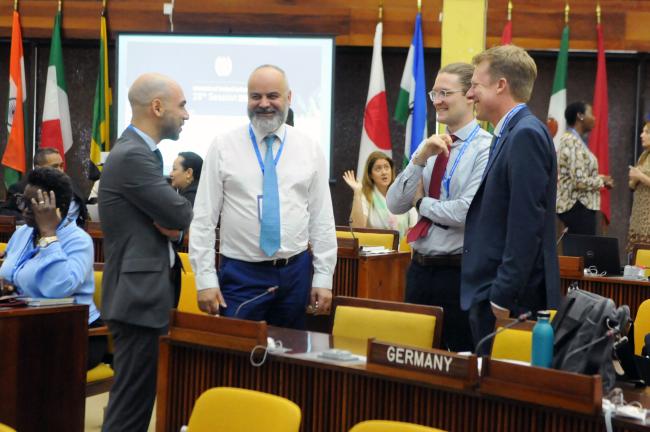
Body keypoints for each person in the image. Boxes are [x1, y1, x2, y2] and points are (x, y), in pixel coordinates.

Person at [189, 64, 336, 328]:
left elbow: (321, 218)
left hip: (296, 274)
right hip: (241, 274)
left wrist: (323, 279)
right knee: (237, 360)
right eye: (255, 96)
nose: (264, 103)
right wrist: (205, 280)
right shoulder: (223, 146)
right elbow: (203, 219)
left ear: (289, 98)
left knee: (290, 359)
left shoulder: (310, 147)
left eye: (273, 96)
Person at [98, 73, 193, 432]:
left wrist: (173, 223)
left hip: (141, 296)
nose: (186, 115)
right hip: (137, 301)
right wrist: (175, 220)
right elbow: (180, 212)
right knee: (130, 410)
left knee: (134, 403)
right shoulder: (133, 156)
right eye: (181, 105)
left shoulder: (140, 154)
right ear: (157, 107)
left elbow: (174, 219)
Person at [461, 45, 561, 355]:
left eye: (475, 85)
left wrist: (501, 296)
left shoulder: (524, 135)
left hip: (510, 301)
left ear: (501, 85)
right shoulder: (510, 133)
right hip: (499, 294)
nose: (469, 95)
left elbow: (525, 223)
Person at [386, 62, 491, 352]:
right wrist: (419, 159)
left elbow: (464, 212)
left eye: (445, 93)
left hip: (458, 275)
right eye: (434, 93)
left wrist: (421, 203)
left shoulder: (486, 148)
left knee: (458, 363)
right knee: (413, 359)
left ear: (470, 95)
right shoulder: (430, 144)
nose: (438, 101)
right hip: (419, 271)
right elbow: (394, 203)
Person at [0, 167, 107, 370]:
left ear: (60, 207)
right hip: (24, 327)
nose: (24, 211)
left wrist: (49, 234)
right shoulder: (23, 233)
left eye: (34, 206)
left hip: (73, 335)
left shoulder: (79, 241)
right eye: (24, 202)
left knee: (16, 366)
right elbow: (8, 274)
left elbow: (60, 287)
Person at [556, 101, 613, 235]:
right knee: (582, 254)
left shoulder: (576, 141)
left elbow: (578, 175)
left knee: (582, 253)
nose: (594, 118)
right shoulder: (570, 141)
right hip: (577, 206)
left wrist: (600, 177)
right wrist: (602, 182)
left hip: (580, 207)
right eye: (591, 113)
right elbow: (579, 181)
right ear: (580, 116)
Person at [342, 151, 417, 243]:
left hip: (401, 253)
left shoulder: (403, 195)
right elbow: (357, 229)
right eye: (378, 169)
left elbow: (414, 228)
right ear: (370, 175)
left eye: (386, 167)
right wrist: (357, 192)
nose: (384, 172)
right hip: (374, 254)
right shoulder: (365, 196)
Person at [2, 147, 89, 227]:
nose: (60, 170)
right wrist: (33, 218)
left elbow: (83, 212)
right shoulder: (21, 188)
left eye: (61, 166)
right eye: (54, 167)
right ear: (38, 168)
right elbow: (5, 212)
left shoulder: (72, 186)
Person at [628, 119, 650, 250]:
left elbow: (640, 177)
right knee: (637, 257)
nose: (642, 135)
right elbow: (631, 185)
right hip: (638, 216)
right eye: (642, 132)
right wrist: (634, 178)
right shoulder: (643, 155)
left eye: (646, 132)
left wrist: (640, 176)